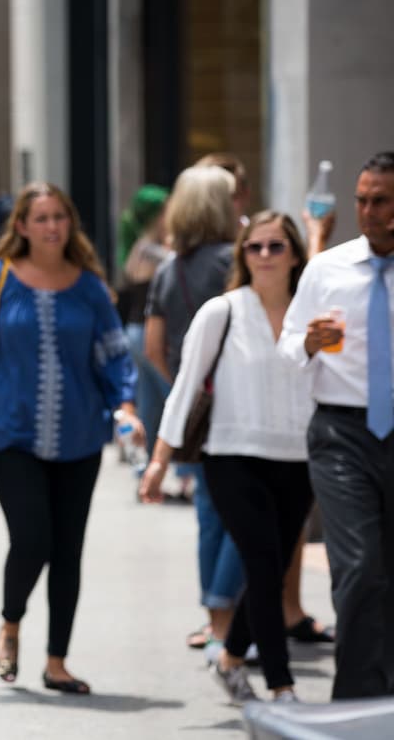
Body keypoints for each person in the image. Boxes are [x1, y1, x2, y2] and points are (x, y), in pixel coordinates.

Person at [0, 182, 142, 696]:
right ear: (23, 227)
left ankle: (57, 662)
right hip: (9, 433)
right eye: (42, 218)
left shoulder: (90, 287)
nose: (52, 226)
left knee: (68, 549)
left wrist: (126, 407)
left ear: (70, 224)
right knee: (33, 538)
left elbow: (114, 356)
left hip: (81, 436)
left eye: (60, 217)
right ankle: (10, 624)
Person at [142, 211, 317, 704]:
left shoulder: (312, 315)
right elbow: (185, 387)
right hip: (232, 457)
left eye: (275, 246)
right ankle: (282, 687)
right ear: (242, 255)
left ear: (295, 255)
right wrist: (159, 461)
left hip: (298, 458)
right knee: (261, 566)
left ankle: (230, 656)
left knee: (272, 571)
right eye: (254, 247)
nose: (264, 255)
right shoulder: (222, 312)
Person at [279, 151, 394, 700]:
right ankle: (354, 702)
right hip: (341, 435)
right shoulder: (327, 269)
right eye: (361, 200)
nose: (367, 211)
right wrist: (308, 342)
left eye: (381, 201)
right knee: (361, 566)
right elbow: (287, 346)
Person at [143, 164, 243, 654]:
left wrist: (185, 391)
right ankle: (227, 617)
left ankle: (212, 618)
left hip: (197, 412)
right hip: (240, 404)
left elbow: (153, 346)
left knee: (209, 513)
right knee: (245, 512)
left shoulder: (168, 268)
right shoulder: (237, 261)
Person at [116, 185, 171, 452]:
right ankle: (185, 468)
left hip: (135, 331)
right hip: (148, 333)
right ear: (157, 215)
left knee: (148, 403)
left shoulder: (140, 247)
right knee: (173, 399)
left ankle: (142, 463)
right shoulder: (152, 251)